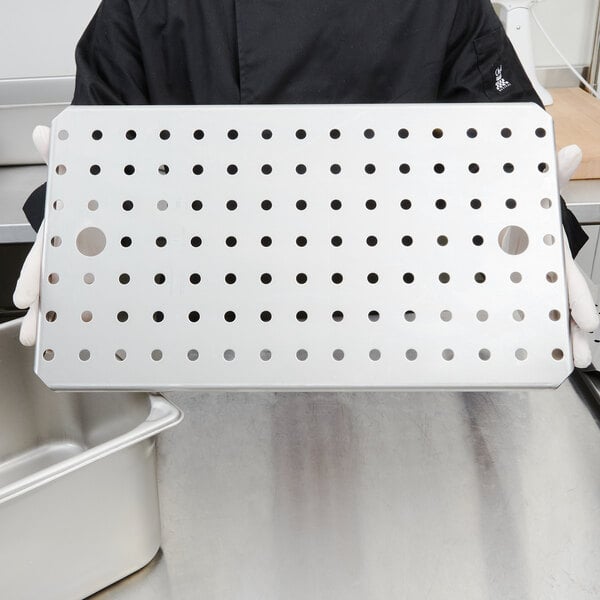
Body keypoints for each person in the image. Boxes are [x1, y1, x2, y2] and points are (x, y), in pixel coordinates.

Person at [15, 0, 599, 365]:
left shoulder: (442, 6)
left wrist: (534, 233)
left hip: (411, 350)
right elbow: (101, 166)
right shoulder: (148, 8)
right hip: (198, 350)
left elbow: (495, 167)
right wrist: (75, 234)